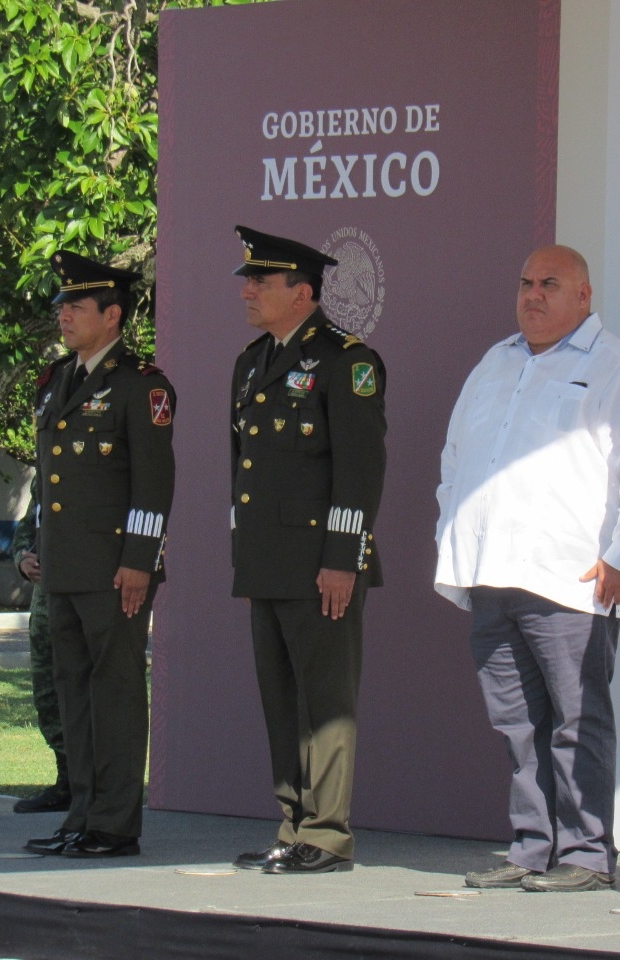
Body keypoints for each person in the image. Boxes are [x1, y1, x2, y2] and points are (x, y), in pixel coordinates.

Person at [435, 245, 620, 893]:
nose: (533, 295)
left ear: (584, 295)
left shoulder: (617, 367)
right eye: (526, 282)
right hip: (491, 572)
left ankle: (586, 853)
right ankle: (532, 845)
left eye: (550, 285)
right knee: (516, 723)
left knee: (577, 719)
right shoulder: (493, 363)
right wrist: (454, 534)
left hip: (571, 579)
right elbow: (455, 459)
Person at [228, 226, 387, 875]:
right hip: (266, 561)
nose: (248, 292)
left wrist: (343, 558)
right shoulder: (251, 361)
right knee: (281, 700)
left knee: (325, 702)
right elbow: (240, 466)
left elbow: (359, 469)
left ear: (302, 291)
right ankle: (292, 824)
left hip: (321, 564)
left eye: (261, 282)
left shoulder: (346, 361)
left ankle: (326, 835)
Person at [22, 252, 176, 859]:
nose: (63, 313)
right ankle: (81, 814)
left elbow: (154, 482)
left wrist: (139, 559)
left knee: (112, 695)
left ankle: (113, 823)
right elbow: (51, 480)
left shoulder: (143, 384)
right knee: (74, 693)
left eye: (76, 305)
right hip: (63, 569)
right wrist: (37, 548)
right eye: (62, 304)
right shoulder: (59, 379)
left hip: (114, 571)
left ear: (112, 315)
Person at [9, 480, 70, 813]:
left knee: (76, 687)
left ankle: (87, 782)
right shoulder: (43, 473)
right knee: (46, 690)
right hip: (44, 597)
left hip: (78, 587)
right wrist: (23, 559)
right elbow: (27, 526)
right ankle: (66, 778)